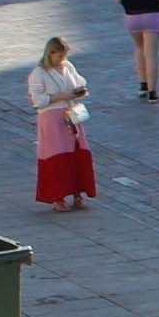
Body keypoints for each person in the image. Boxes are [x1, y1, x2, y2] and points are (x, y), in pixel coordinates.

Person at [29, 36, 96, 209]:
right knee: (56, 156)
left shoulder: (68, 66)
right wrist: (61, 96)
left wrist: (79, 92)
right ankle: (57, 196)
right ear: (50, 53)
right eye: (59, 56)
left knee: (77, 152)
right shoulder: (39, 73)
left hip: (72, 114)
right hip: (52, 118)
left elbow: (80, 82)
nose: (62, 60)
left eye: (63, 56)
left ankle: (78, 193)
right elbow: (37, 100)